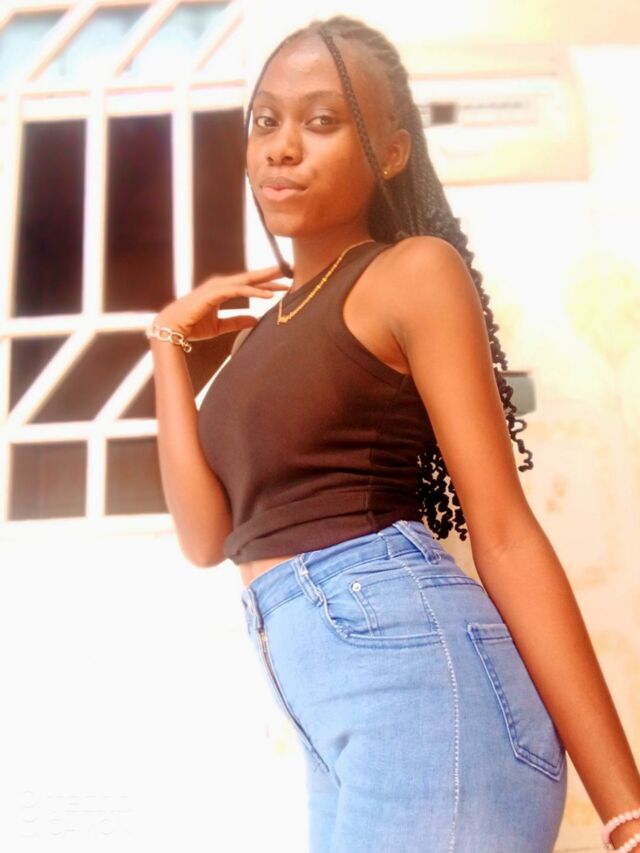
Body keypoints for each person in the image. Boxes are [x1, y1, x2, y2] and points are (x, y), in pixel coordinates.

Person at [145, 14, 640, 853]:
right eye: (265, 121)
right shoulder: (260, 337)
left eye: (322, 120)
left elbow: (504, 531)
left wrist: (625, 811)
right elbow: (206, 538)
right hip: (334, 724)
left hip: (424, 692)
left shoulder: (409, 273)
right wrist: (166, 345)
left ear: (393, 151)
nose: (282, 147)